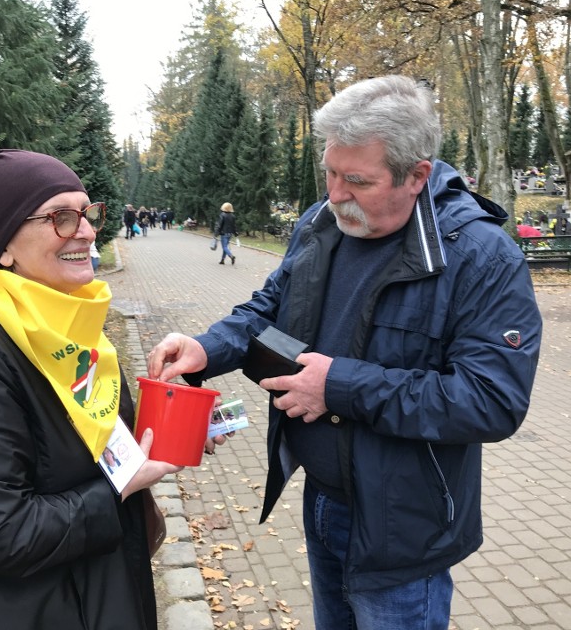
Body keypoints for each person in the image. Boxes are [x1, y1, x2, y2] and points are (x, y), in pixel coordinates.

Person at [146, 76, 542, 629]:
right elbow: (269, 311)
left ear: (417, 176)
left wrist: (338, 386)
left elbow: (491, 400)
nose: (335, 195)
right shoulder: (320, 224)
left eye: (357, 180)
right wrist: (207, 348)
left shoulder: (479, 256)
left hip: (406, 527)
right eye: (330, 173)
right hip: (325, 500)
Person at [0, 149, 183, 630]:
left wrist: (171, 424)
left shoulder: (68, 318)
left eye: (87, 212)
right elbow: (0, 532)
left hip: (97, 585)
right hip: (22, 609)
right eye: (60, 217)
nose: (87, 230)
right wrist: (121, 486)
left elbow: (85, 439)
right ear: (4, 246)